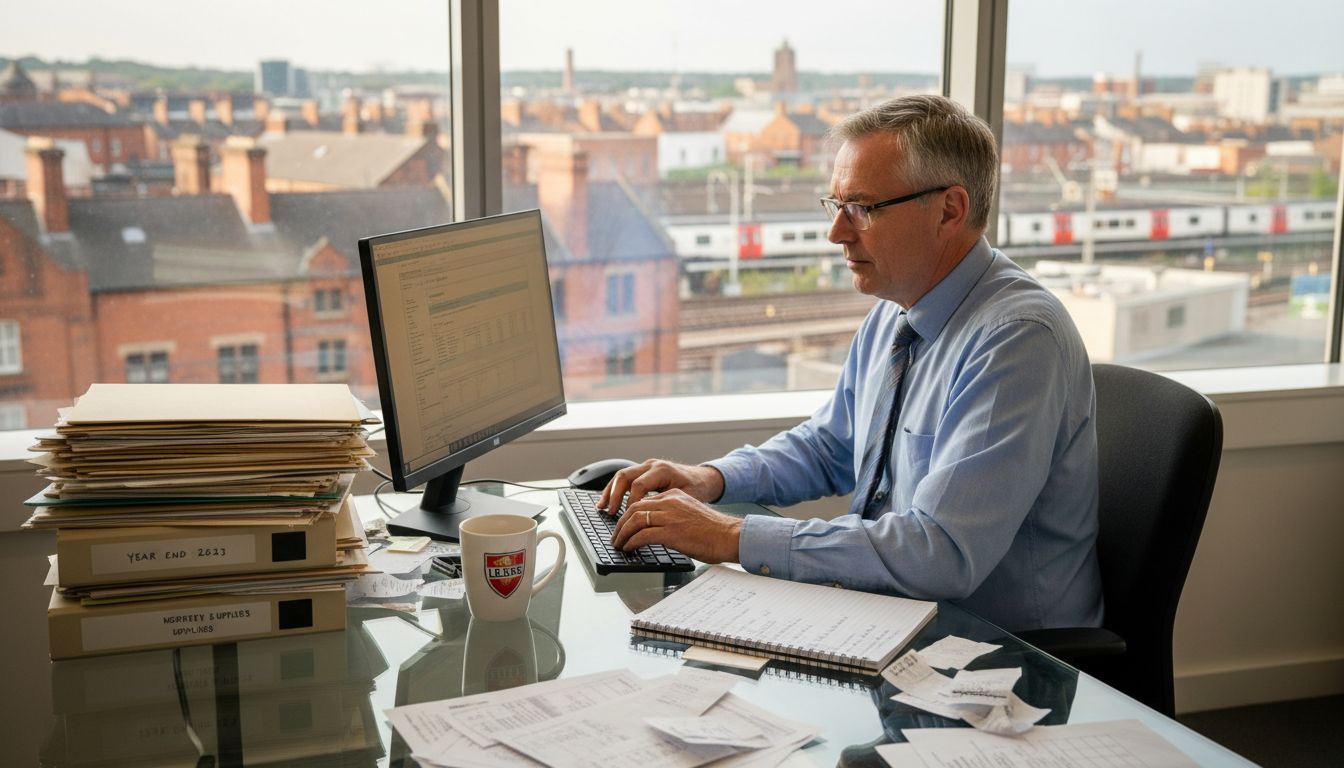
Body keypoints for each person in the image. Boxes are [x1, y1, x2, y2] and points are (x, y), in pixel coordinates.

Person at [605, 94, 1102, 632]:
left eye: (863, 208)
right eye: (835, 205)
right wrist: (710, 479)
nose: (836, 232)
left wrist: (727, 536)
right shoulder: (898, 311)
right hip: (891, 615)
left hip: (1001, 657)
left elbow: (941, 552)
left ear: (950, 210)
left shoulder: (1017, 339)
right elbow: (831, 446)